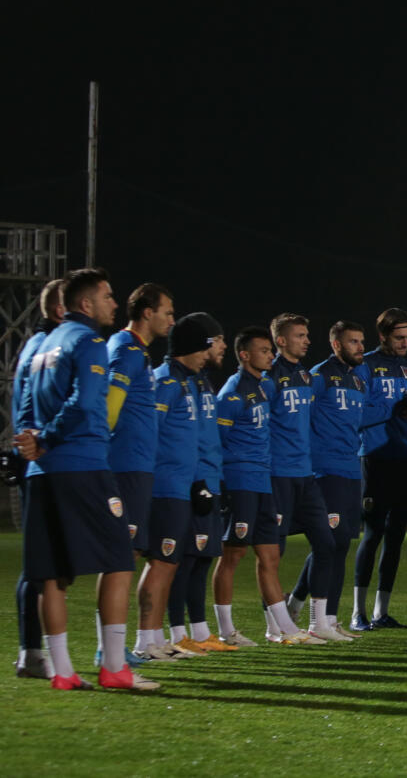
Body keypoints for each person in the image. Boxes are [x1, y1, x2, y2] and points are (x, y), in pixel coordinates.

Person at [18, 267, 158, 690]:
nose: (114, 303)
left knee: (52, 574)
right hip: (83, 465)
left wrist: (32, 442)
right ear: (85, 303)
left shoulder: (39, 346)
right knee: (119, 560)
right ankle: (114, 667)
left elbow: (23, 405)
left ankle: (62, 672)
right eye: (107, 296)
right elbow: (84, 402)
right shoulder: (88, 342)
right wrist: (50, 437)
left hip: (41, 472)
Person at [214, 326, 310, 646]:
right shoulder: (232, 392)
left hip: (264, 481)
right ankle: (226, 631)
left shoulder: (265, 386)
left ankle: (286, 629)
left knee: (270, 557)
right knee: (232, 555)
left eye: (271, 350)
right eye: (264, 351)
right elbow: (217, 441)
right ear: (245, 355)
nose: (271, 356)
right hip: (241, 483)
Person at [136, 312, 223, 661]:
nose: (207, 354)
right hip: (165, 487)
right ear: (189, 348)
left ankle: (157, 640)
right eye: (203, 348)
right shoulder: (166, 382)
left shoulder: (188, 383)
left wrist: (199, 480)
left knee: (170, 563)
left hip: (183, 486)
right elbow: (150, 434)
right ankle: (145, 641)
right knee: (161, 562)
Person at [288, 320, 376, 639]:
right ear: (337, 344)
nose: (360, 347)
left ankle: (321, 615)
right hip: (326, 471)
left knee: (339, 547)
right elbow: (300, 418)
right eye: (353, 342)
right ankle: (319, 620)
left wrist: (403, 409)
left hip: (351, 470)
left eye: (362, 341)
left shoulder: (358, 381)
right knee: (330, 543)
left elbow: (362, 420)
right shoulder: (320, 376)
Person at [351, 307, 407, 631]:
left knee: (396, 536)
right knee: (372, 533)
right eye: (399, 337)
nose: (405, 343)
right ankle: (357, 613)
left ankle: (380, 612)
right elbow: (357, 412)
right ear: (383, 335)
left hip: (404, 455)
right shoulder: (365, 366)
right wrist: (395, 407)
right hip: (374, 456)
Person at [265, 313, 342, 641]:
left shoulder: (306, 376)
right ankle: (273, 626)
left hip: (305, 474)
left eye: (307, 335)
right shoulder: (269, 377)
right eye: (300, 335)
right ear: (281, 340)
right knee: (273, 553)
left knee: (326, 543)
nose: (307, 340)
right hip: (277, 476)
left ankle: (318, 623)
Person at [105, 282, 174, 628]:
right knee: (121, 556)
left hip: (138, 464)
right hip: (127, 464)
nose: (172, 321)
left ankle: (114, 646)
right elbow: (109, 409)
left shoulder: (136, 351)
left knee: (126, 555)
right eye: (168, 313)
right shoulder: (128, 350)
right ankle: (110, 648)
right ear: (148, 313)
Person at [11, 277, 65, 679]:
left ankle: (33, 650)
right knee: (42, 563)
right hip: (47, 461)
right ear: (63, 310)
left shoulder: (35, 345)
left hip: (38, 458)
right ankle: (32, 652)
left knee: (44, 562)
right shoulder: (50, 347)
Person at [169, 324, 232, 652]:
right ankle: (176, 633)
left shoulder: (202, 381)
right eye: (218, 340)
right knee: (185, 560)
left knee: (203, 558)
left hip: (209, 478)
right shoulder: (174, 381)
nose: (223, 346)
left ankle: (199, 631)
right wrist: (196, 480)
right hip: (190, 482)